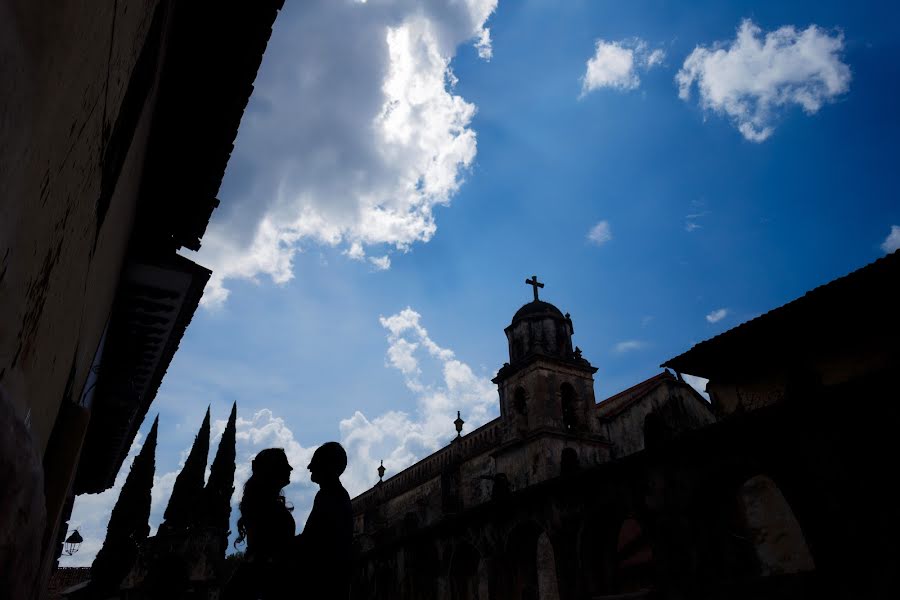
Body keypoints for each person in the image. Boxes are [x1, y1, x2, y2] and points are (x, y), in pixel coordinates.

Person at [223, 448, 295, 600]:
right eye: (284, 464)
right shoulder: (265, 506)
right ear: (272, 470)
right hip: (264, 578)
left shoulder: (261, 503)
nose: (290, 469)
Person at [295, 442, 353, 600]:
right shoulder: (330, 495)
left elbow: (313, 541)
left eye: (315, 461)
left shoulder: (331, 496)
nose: (309, 466)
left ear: (329, 465)